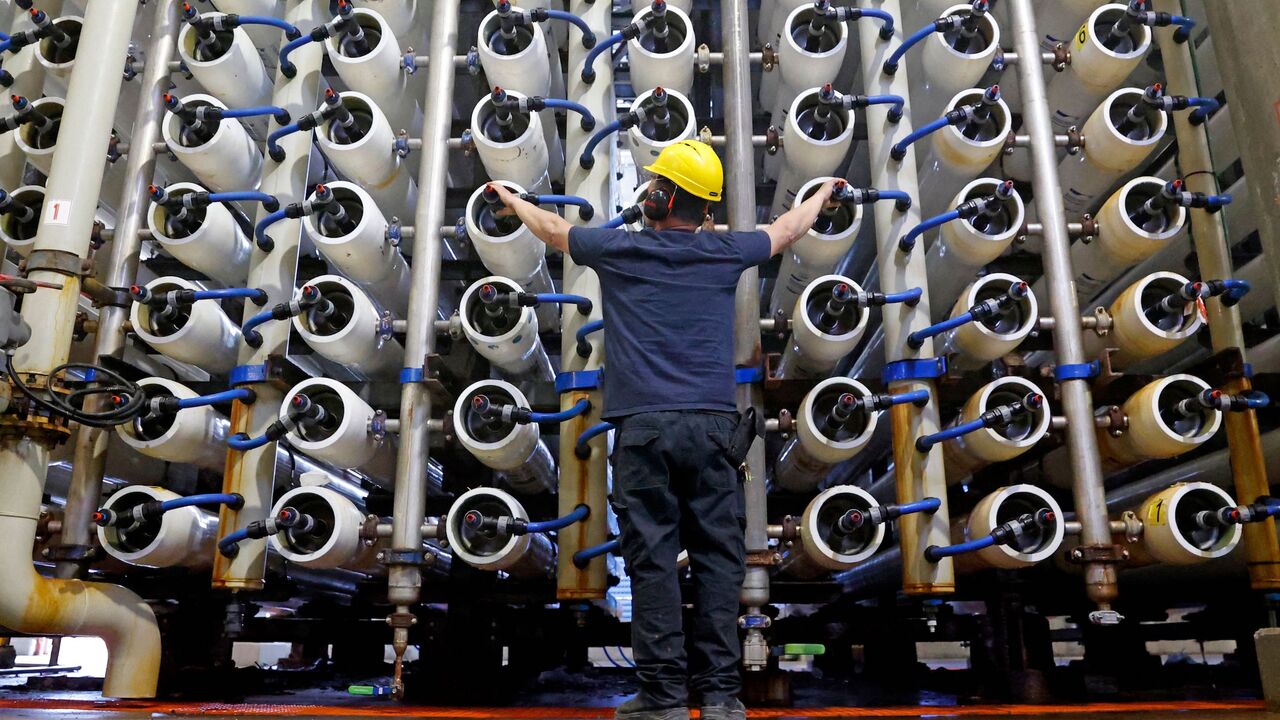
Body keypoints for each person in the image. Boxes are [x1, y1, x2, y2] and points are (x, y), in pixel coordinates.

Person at [489, 140, 839, 720]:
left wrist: (512, 198)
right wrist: (822, 196)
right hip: (713, 432)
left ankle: (663, 698)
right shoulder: (725, 252)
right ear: (703, 208)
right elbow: (784, 232)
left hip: (646, 431)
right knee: (719, 565)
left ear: (661, 195)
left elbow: (553, 230)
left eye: (652, 183)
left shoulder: (621, 248)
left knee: (653, 565)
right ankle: (723, 698)